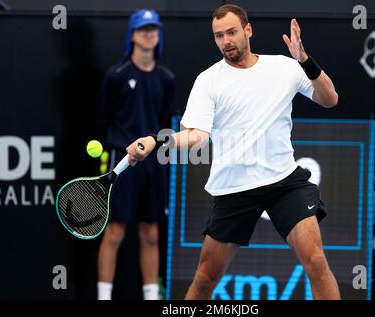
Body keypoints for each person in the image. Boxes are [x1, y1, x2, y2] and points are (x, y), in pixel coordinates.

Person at [126, 4, 340, 300]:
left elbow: (329, 99)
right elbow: (197, 136)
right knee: (205, 278)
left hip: (284, 182)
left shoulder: (285, 67)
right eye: (218, 35)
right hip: (234, 189)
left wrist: (305, 61)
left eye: (231, 32)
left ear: (247, 30)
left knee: (316, 261)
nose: (226, 41)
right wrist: (156, 141)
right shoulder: (208, 80)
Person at [96, 8, 174, 300]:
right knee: (114, 232)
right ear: (132, 35)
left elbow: (165, 123)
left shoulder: (166, 78)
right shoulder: (116, 76)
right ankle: (104, 296)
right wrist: (116, 151)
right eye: (143, 29)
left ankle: (151, 296)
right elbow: (103, 120)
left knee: (151, 234)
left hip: (153, 164)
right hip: (121, 161)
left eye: (153, 28)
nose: (149, 33)